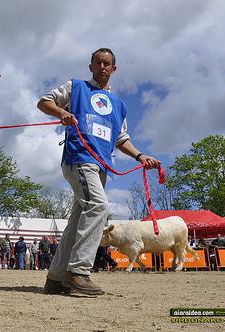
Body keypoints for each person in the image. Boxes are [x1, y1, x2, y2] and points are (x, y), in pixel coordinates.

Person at [37, 48, 160, 295]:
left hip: (102, 165)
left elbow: (121, 138)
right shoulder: (76, 87)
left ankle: (56, 278)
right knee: (99, 207)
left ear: (114, 69)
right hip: (79, 157)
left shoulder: (119, 105)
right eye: (98, 63)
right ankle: (79, 273)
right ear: (90, 66)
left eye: (107, 64)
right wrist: (63, 113)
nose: (102, 67)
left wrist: (139, 155)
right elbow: (44, 101)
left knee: (77, 220)